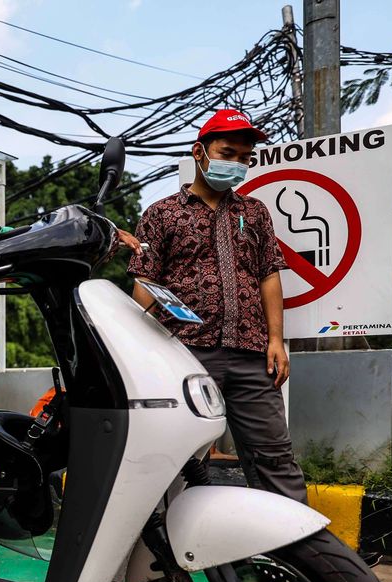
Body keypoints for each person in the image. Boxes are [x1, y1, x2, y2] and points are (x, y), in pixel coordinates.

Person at [128, 109, 307, 503]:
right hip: (184, 355)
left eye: (245, 158)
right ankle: (166, 553)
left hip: (251, 355)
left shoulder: (254, 212)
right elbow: (145, 283)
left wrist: (276, 340)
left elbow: (268, 275)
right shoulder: (161, 214)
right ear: (199, 152)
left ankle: (296, 552)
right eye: (228, 153)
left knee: (274, 457)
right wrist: (148, 351)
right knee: (179, 458)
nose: (237, 164)